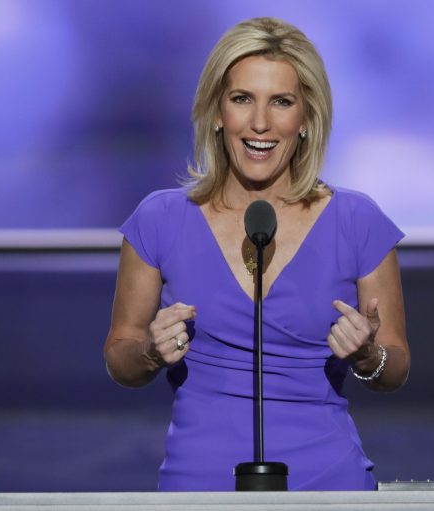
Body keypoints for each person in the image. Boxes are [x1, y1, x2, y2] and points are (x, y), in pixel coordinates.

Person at [104, 17, 410, 491]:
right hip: (200, 486)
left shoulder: (356, 220)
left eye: (281, 102)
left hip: (327, 484)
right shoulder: (159, 219)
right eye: (242, 99)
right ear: (216, 112)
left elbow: (396, 364)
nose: (260, 122)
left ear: (306, 118)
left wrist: (368, 357)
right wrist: (148, 352)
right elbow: (120, 357)